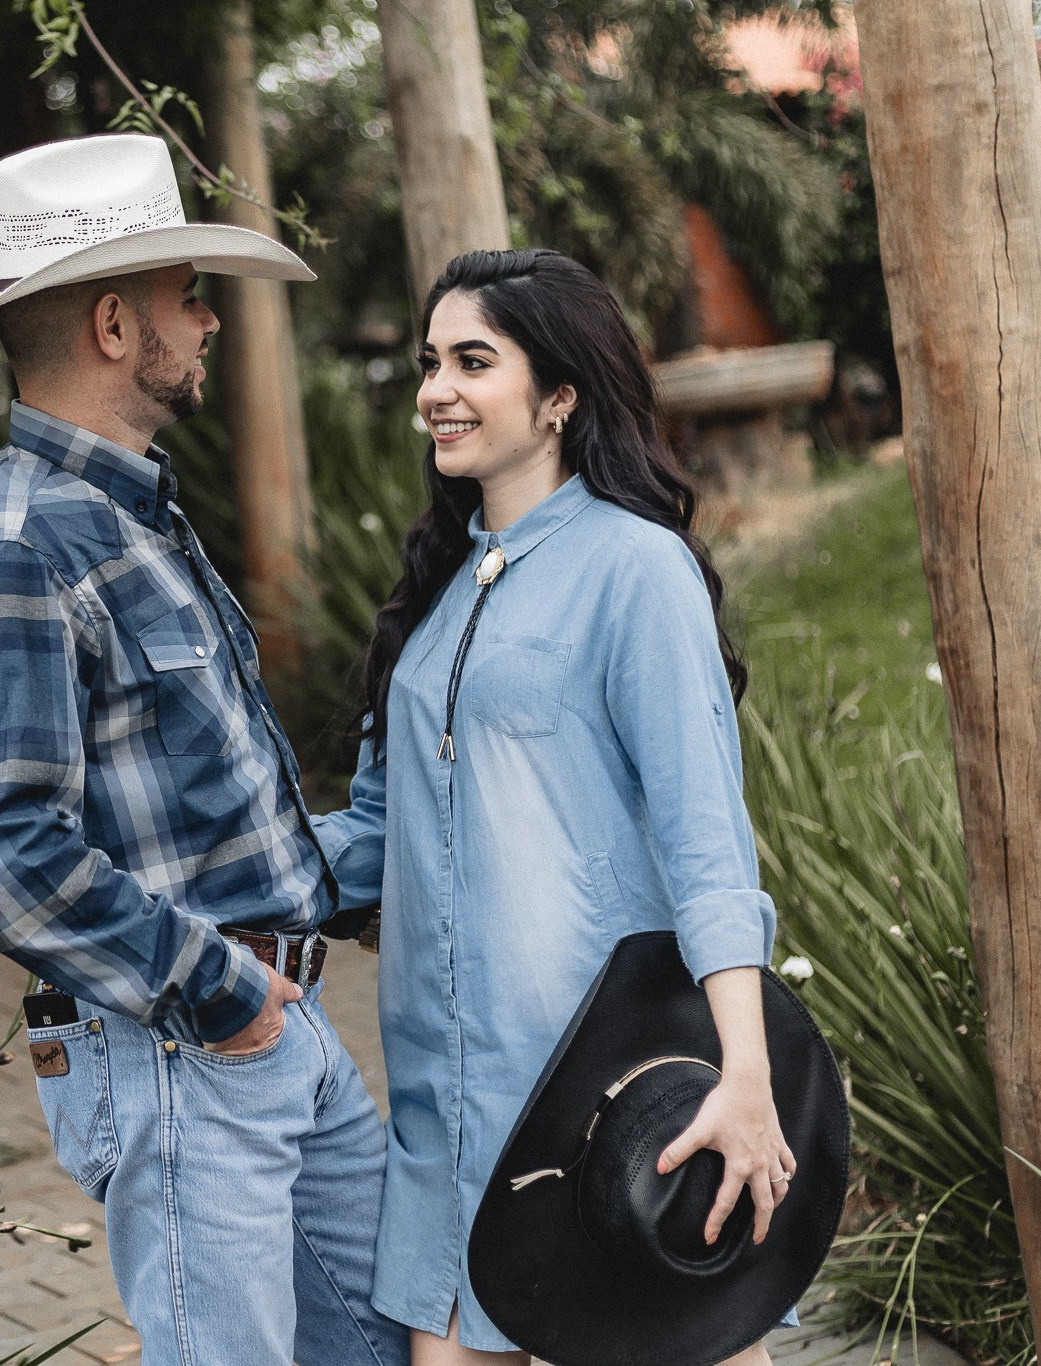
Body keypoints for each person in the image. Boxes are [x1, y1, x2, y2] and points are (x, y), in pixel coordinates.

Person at [0, 133, 408, 1366]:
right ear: (117, 326)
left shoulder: (130, 518)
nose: (209, 319)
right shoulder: (12, 547)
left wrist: (397, 831)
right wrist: (224, 994)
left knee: (406, 1344)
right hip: (184, 1046)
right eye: (188, 293)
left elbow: (196, 819)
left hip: (269, 1031)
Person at [311, 248, 799, 1365]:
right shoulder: (437, 595)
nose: (435, 387)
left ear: (560, 396)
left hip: (617, 1108)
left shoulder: (634, 570)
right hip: (449, 1123)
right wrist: (217, 864)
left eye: (472, 361)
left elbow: (704, 844)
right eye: (430, 361)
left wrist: (743, 1077)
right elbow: (379, 837)